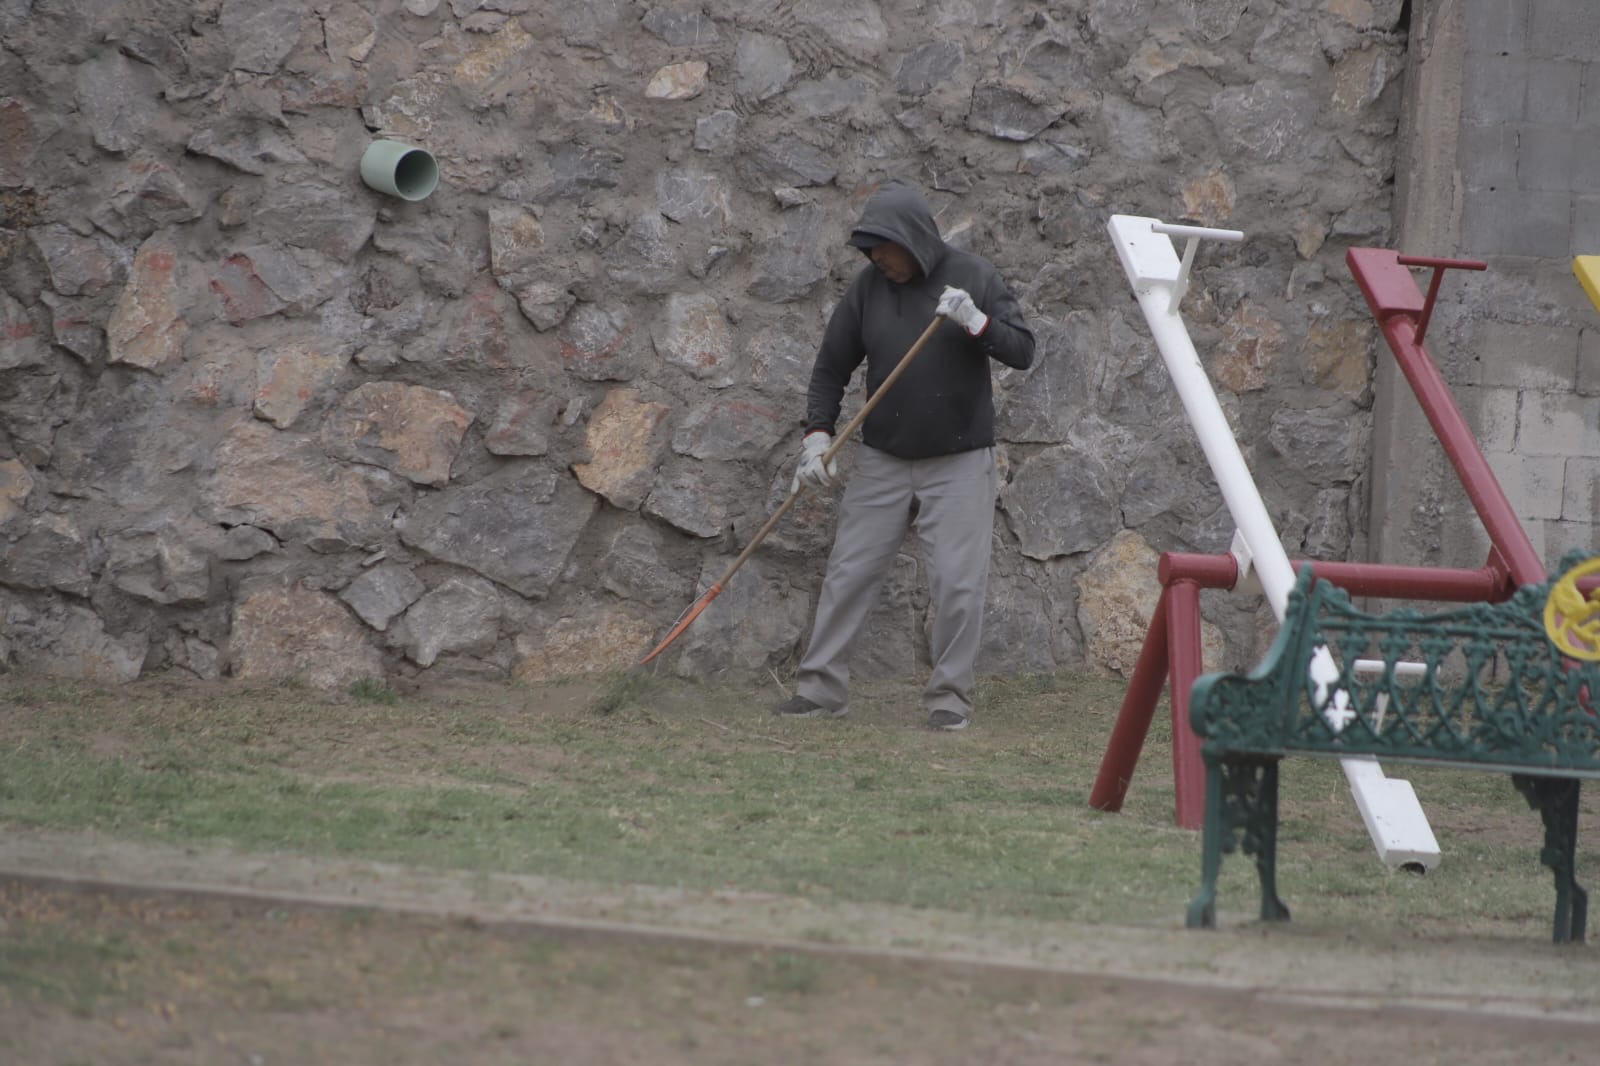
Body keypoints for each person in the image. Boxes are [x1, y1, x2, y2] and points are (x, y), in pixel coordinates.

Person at [773, 179, 1036, 731]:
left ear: (912, 240)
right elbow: (830, 368)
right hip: (883, 460)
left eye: (882, 249)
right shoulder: (868, 289)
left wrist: (976, 323)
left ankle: (948, 702)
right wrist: (817, 436)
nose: (875, 259)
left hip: (960, 461)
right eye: (868, 251)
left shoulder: (974, 278)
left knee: (958, 585)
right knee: (848, 572)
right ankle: (821, 691)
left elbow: (1022, 351)